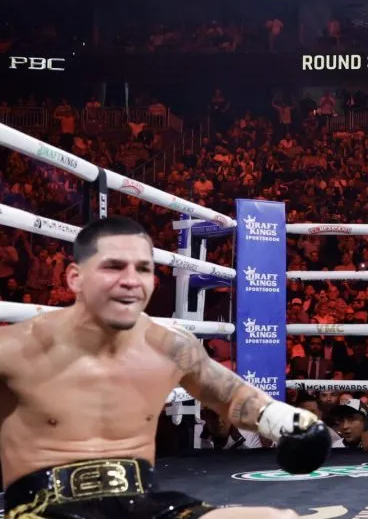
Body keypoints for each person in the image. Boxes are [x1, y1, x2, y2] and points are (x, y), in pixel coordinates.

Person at [0, 216, 329, 519]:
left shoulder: (170, 348)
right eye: (114, 267)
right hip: (43, 506)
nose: (131, 280)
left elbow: (231, 396)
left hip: (142, 503)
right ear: (75, 277)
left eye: (143, 269)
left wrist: (286, 421)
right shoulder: (15, 350)